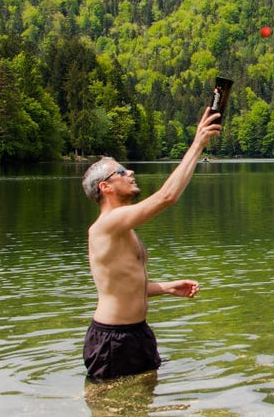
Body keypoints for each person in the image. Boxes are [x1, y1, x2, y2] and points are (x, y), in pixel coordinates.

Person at [80, 108, 221, 381]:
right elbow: (166, 197)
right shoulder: (107, 224)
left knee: (142, 405)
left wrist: (167, 287)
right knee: (110, 408)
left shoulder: (124, 228)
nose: (130, 171)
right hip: (112, 340)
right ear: (105, 187)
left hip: (137, 334)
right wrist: (198, 143)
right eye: (121, 171)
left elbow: (125, 286)